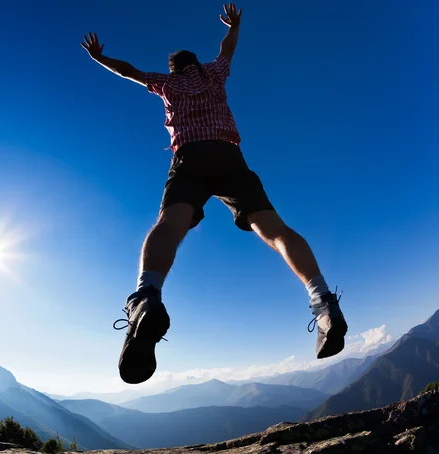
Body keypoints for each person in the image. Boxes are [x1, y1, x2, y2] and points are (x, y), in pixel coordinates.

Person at [81, 3, 348, 385]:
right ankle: (323, 301)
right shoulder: (215, 73)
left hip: (189, 157)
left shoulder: (167, 83)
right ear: (196, 63)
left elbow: (130, 72)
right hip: (229, 157)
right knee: (275, 230)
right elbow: (227, 49)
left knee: (170, 225)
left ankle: (146, 297)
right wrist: (235, 25)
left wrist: (99, 57)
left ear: (174, 68)